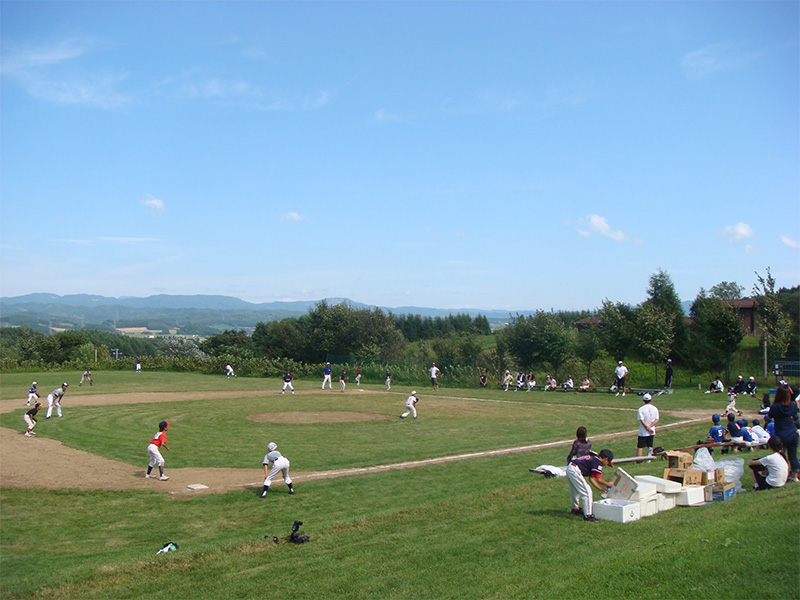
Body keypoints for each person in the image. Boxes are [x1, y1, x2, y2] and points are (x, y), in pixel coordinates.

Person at [566, 449, 615, 522]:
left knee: (575, 490)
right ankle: (588, 515)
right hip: (574, 469)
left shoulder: (594, 459)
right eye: (607, 462)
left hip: (571, 467)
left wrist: (600, 489)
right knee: (587, 492)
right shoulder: (598, 462)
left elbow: (591, 479)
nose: (606, 464)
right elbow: (599, 480)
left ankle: (575, 509)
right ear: (606, 459)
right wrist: (609, 484)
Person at [768, 385, 799, 482]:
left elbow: (770, 416)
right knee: (793, 456)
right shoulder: (793, 405)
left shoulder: (775, 407)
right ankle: (794, 476)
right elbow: (796, 416)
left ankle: (783, 474)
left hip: (781, 434)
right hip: (792, 432)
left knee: (781, 456)